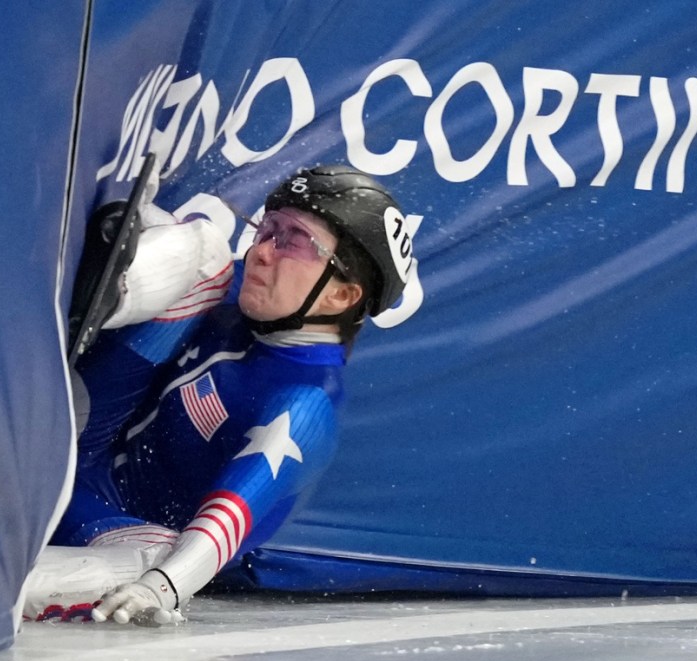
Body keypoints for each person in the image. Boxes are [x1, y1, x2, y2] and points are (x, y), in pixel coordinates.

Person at [23, 165, 414, 625]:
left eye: (294, 241)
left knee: (164, 554)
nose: (262, 252)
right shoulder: (238, 292)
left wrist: (161, 589)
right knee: (206, 251)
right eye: (267, 228)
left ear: (341, 296)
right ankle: (85, 304)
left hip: (104, 521)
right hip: (71, 426)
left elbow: (219, 527)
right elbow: (178, 245)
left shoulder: (305, 405)